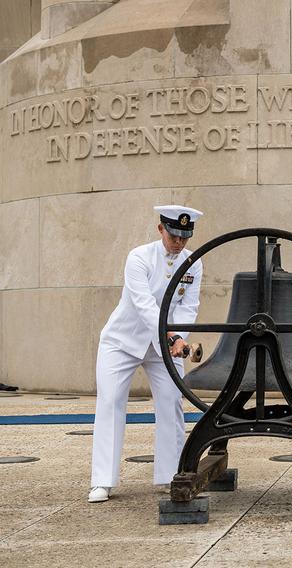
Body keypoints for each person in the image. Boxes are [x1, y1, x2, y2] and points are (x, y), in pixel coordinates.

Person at [89, 206, 204, 503]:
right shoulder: (138, 257)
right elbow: (144, 306)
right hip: (121, 342)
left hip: (164, 345)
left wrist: (180, 338)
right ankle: (102, 480)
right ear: (160, 229)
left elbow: (188, 307)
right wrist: (172, 336)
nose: (178, 242)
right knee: (111, 401)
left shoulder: (193, 263)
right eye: (173, 235)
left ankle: (171, 475)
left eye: (184, 236)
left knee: (170, 402)